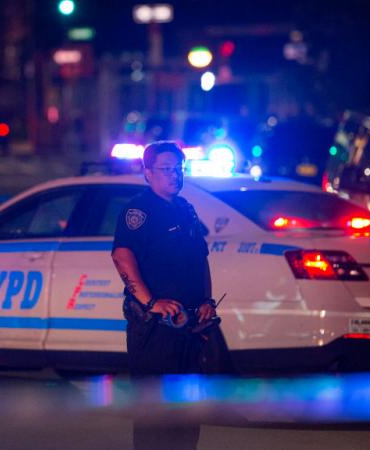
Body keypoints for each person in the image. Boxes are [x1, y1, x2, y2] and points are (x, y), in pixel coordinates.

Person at [111, 141, 230, 450]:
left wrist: (206, 301)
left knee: (187, 415)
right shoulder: (139, 210)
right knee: (156, 418)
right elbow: (123, 257)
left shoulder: (185, 208)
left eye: (179, 169)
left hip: (190, 326)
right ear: (148, 172)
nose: (175, 175)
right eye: (167, 169)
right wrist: (150, 303)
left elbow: (200, 259)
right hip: (156, 329)